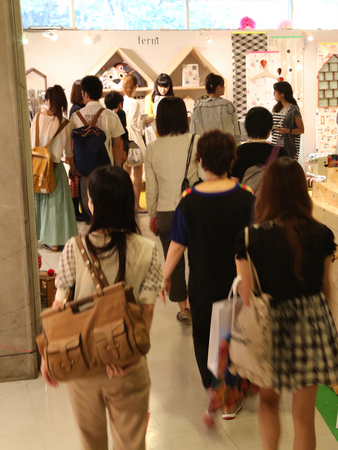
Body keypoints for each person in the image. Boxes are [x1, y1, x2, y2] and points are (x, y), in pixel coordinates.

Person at [41, 166, 162, 450]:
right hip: (127, 364)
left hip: (82, 363)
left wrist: (48, 354)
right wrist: (131, 355)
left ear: (94, 204)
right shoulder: (148, 249)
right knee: (131, 444)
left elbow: (59, 304)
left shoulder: (74, 247)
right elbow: (147, 310)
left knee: (91, 443)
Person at [235, 157, 338, 450]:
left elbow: (246, 294)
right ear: (301, 191)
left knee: (269, 404)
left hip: (268, 325)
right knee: (304, 418)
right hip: (311, 324)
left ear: (266, 192)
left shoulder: (249, 237)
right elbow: (325, 286)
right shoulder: (322, 234)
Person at [160, 130, 254, 418]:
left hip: (201, 281)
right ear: (232, 159)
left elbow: (178, 244)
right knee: (235, 335)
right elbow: (254, 241)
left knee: (203, 335)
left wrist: (165, 275)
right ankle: (230, 396)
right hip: (238, 281)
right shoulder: (246, 196)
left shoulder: (189, 199)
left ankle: (214, 388)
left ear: (200, 160)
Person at [145, 97, 199, 325]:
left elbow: (152, 187)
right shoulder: (196, 141)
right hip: (195, 209)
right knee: (198, 260)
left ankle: (184, 308)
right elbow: (205, 176)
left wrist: (153, 215)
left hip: (166, 212)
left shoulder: (152, 148)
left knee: (173, 262)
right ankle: (198, 304)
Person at [69, 75, 125, 223]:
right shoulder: (111, 116)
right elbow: (117, 146)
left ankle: (91, 231)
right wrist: (118, 168)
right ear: (100, 93)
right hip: (105, 168)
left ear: (85, 93)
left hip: (84, 169)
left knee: (87, 206)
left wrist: (73, 166)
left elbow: (71, 146)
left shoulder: (75, 117)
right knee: (106, 203)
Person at [32, 85, 78, 251]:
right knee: (56, 204)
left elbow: (30, 142)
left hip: (37, 167)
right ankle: (55, 240)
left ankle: (41, 236)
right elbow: (68, 152)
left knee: (39, 202)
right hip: (54, 167)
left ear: (48, 100)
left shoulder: (37, 118)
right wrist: (72, 168)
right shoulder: (66, 123)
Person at [231, 106, 288, 183]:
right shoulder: (281, 153)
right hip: (271, 191)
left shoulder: (236, 152)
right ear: (269, 130)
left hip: (245, 190)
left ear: (247, 128)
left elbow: (234, 183)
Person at [189, 73, 241, 145]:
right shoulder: (228, 105)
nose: (224, 88)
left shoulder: (197, 108)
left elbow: (193, 132)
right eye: (223, 86)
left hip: (205, 148)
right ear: (219, 88)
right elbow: (236, 130)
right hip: (225, 147)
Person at [122, 74, 148, 213]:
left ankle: (127, 206)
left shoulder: (122, 101)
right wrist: (145, 120)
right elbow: (136, 125)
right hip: (135, 140)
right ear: (136, 86)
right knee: (137, 176)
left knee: (126, 176)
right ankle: (136, 205)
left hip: (124, 140)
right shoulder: (135, 103)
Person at [271, 81, 304, 160]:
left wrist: (288, 131)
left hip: (289, 145)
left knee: (287, 165)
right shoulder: (276, 108)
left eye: (275, 92)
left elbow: (301, 129)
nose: (274, 94)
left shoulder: (293, 110)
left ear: (282, 94)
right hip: (277, 143)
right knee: (278, 164)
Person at [69, 80, 85, 220]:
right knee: (76, 183)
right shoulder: (76, 109)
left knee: (77, 183)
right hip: (77, 150)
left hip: (77, 150)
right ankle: (76, 212)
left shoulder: (75, 108)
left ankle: (78, 211)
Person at [103, 90, 129, 161]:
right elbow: (123, 130)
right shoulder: (120, 112)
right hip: (118, 145)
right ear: (119, 104)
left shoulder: (104, 113)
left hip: (107, 145)